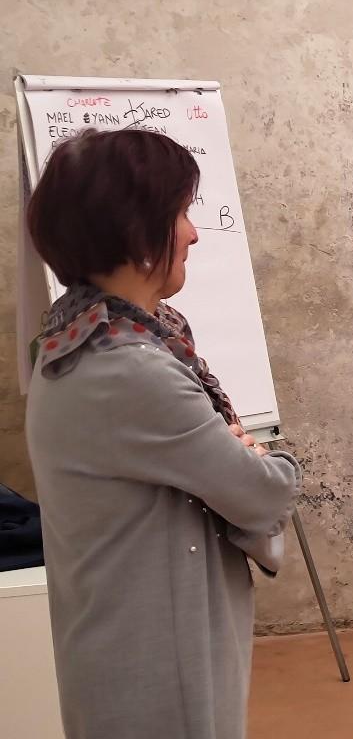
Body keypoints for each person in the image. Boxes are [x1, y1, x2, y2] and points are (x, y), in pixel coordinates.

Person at [23, 129, 302, 739]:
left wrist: (236, 457)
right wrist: (264, 459)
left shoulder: (72, 341)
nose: (193, 233)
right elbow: (263, 493)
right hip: (160, 661)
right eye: (180, 214)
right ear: (135, 232)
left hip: (125, 642)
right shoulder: (131, 368)